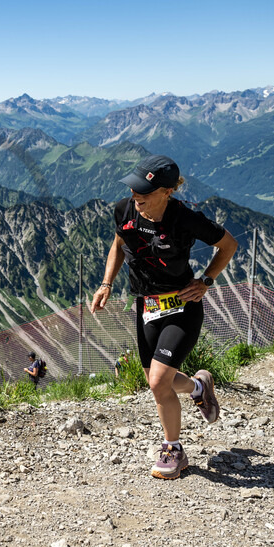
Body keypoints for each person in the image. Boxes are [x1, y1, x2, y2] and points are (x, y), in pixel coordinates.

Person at [90, 154, 238, 479]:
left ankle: (174, 449)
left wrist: (206, 282)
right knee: (159, 381)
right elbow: (118, 243)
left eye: (144, 190)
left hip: (182, 306)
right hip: (146, 306)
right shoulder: (125, 210)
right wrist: (106, 283)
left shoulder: (185, 219)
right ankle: (199, 387)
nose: (135, 195)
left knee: (158, 382)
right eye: (134, 188)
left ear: (167, 191)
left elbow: (228, 245)